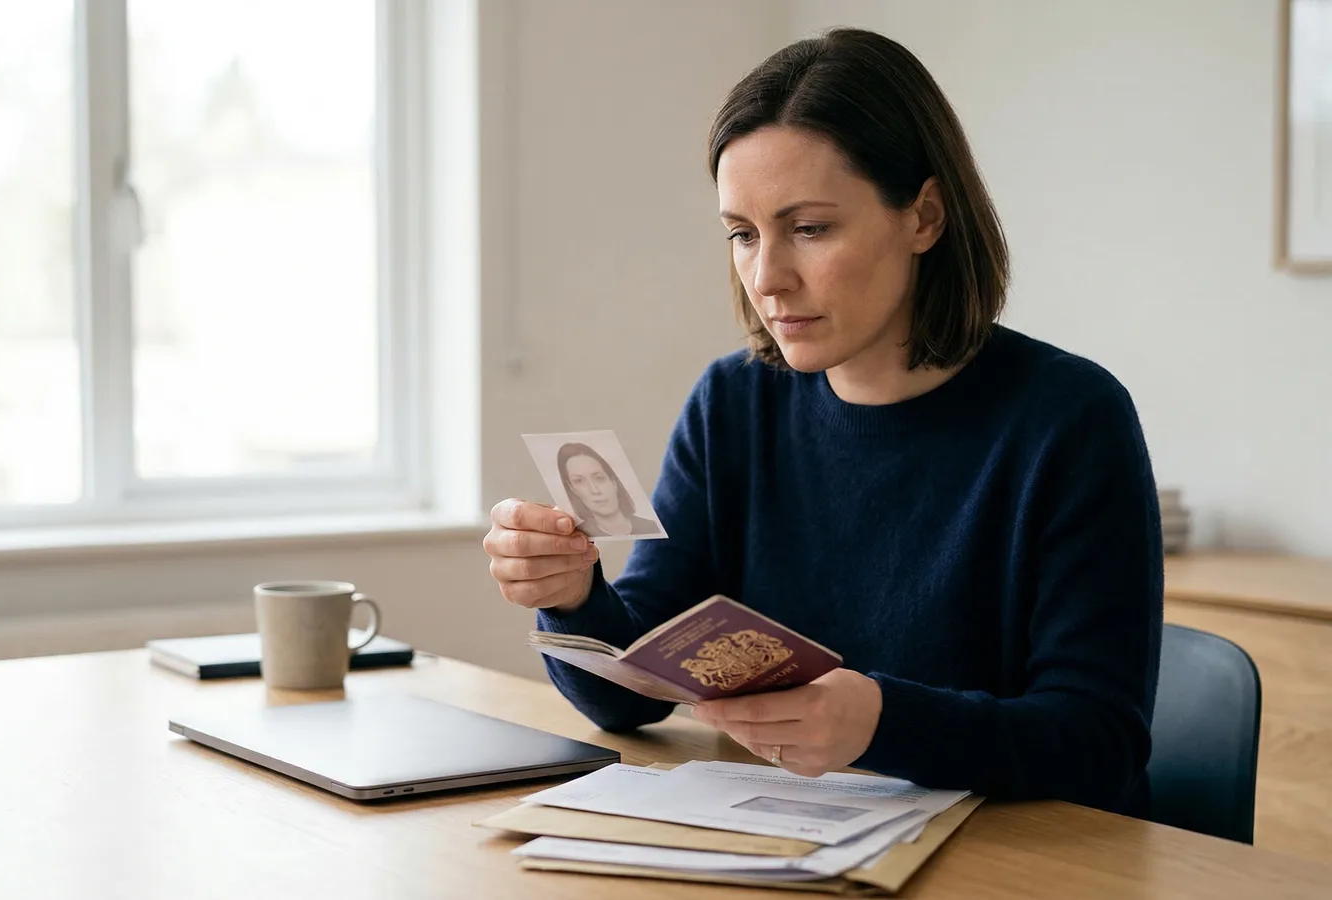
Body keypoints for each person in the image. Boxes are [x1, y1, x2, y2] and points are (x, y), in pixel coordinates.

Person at [481, 28, 1162, 817]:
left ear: (925, 217)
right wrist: (573, 599)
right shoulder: (734, 403)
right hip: (798, 843)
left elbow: (1100, 746)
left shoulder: (1070, 419)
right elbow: (633, 698)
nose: (768, 277)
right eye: (743, 234)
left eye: (809, 229)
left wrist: (881, 721)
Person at [556, 442, 662, 538]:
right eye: (579, 481)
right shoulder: (578, 537)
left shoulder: (652, 527)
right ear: (573, 489)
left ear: (613, 481)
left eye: (599, 478)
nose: (595, 490)